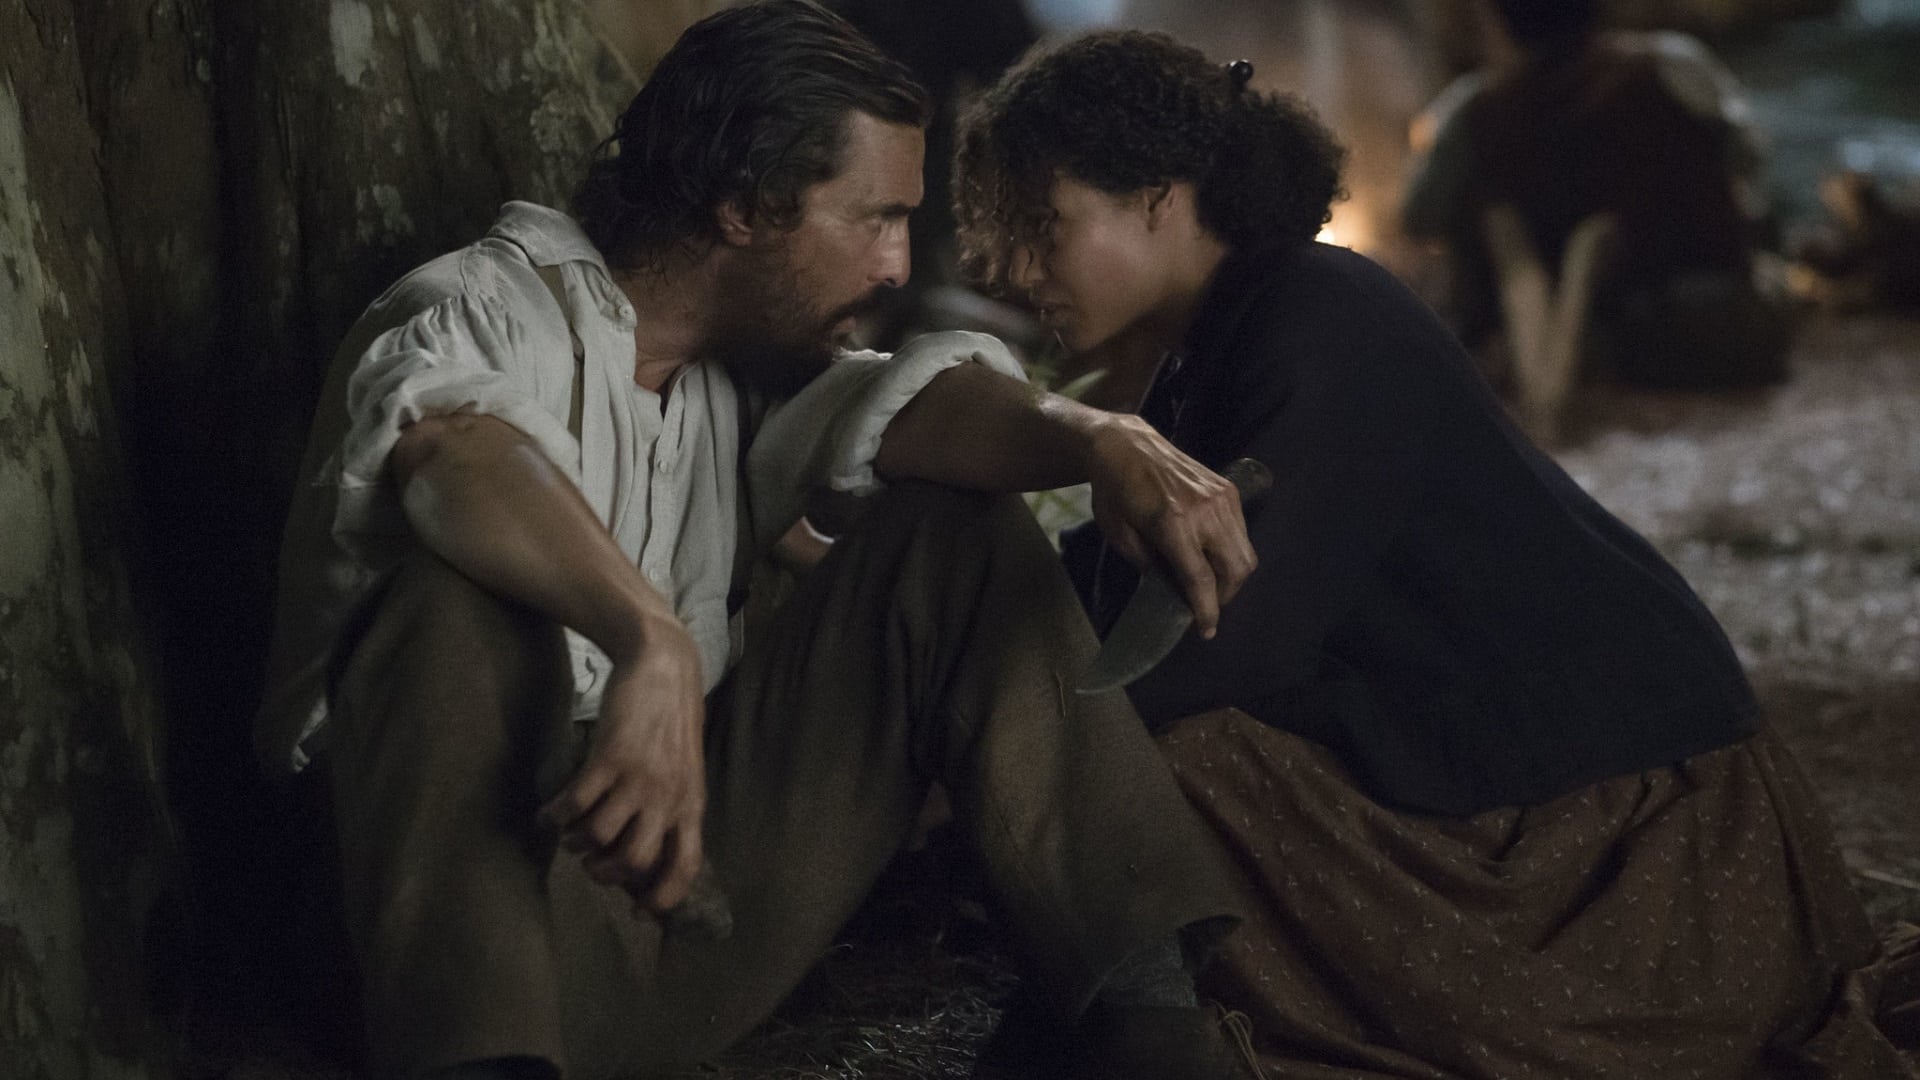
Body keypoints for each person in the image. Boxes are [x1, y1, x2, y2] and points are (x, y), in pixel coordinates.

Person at [256, 4, 1271, 1078]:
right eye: (874, 218)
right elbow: (453, 454)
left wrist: (1100, 438)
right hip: (422, 950)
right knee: (450, 599)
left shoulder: (739, 380)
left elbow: (916, 405)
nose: (897, 263)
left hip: (664, 916)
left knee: (954, 537)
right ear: (744, 205)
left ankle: (1153, 1033)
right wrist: (649, 637)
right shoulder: (478, 310)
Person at [954, 28, 1920, 1079]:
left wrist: (1009, 742)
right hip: (1489, 761)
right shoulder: (1215, 339)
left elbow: (1237, 637)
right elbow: (1125, 580)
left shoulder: (1319, 315)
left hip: (1626, 824)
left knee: (1183, 760)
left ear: (1157, 196)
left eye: (1042, 226)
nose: (1012, 270)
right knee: (1138, 744)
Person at [1402, 0, 1791, 391]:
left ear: (1500, 21)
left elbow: (1420, 215)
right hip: (1711, 325)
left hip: (1574, 346)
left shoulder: (1474, 110)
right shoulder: (1674, 64)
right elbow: (1748, 158)